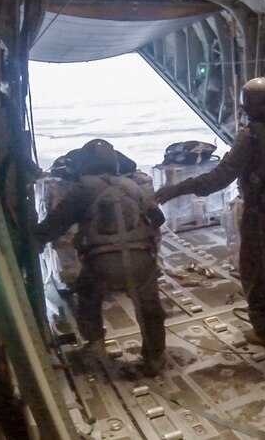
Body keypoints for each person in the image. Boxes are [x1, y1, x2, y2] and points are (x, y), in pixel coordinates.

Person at [155, 78, 265, 347]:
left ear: (247, 108)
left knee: (255, 272)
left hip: (261, 213)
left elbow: (218, 179)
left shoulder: (249, 137)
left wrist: (176, 189)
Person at [33, 139, 167, 375]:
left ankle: (95, 346)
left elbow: (52, 228)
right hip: (141, 263)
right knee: (150, 309)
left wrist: (29, 238)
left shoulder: (82, 189)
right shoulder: (132, 186)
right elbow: (158, 219)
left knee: (86, 296)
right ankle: (154, 357)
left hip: (100, 265)